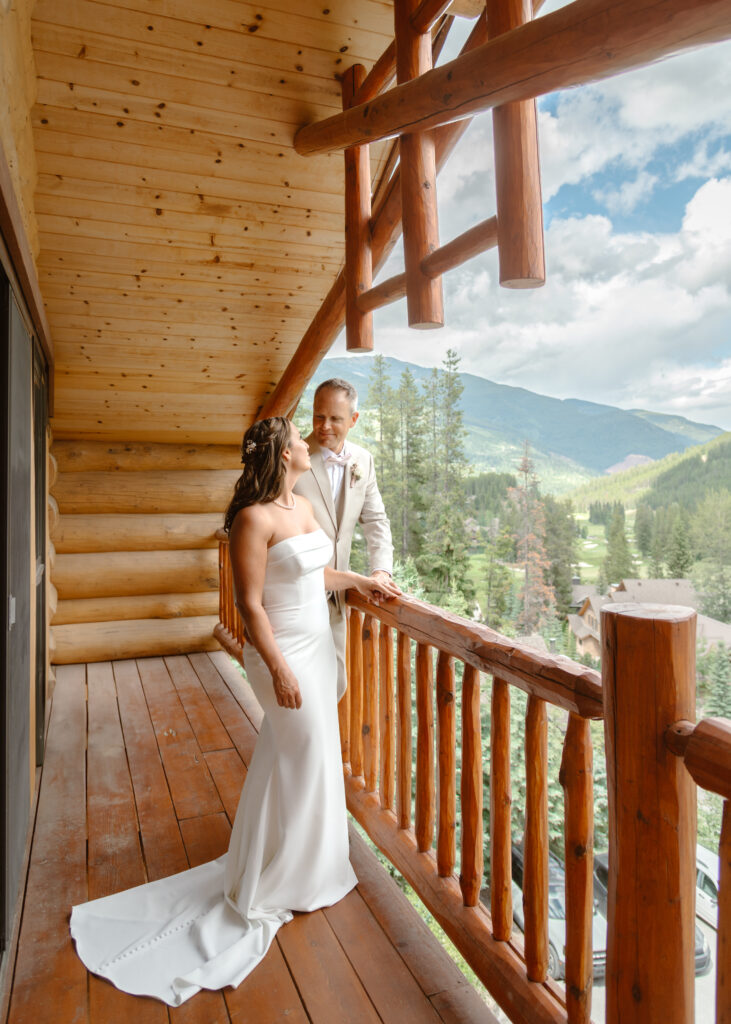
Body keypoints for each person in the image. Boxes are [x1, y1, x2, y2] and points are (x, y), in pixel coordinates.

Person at [69, 416, 399, 1007]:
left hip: (318, 647)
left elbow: (317, 573)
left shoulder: (300, 505)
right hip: (283, 653)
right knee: (304, 757)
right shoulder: (252, 519)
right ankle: (289, 876)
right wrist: (276, 667)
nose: (308, 442)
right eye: (299, 436)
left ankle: (300, 861)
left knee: (305, 756)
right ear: (280, 451)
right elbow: (250, 603)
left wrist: (361, 581)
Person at [294, 377, 398, 700]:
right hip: (296, 596)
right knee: (299, 689)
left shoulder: (363, 461)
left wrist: (381, 570)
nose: (324, 426)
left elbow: (376, 521)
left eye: (335, 418)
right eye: (318, 416)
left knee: (335, 685)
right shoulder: (293, 456)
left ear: (353, 420)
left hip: (337, 601)